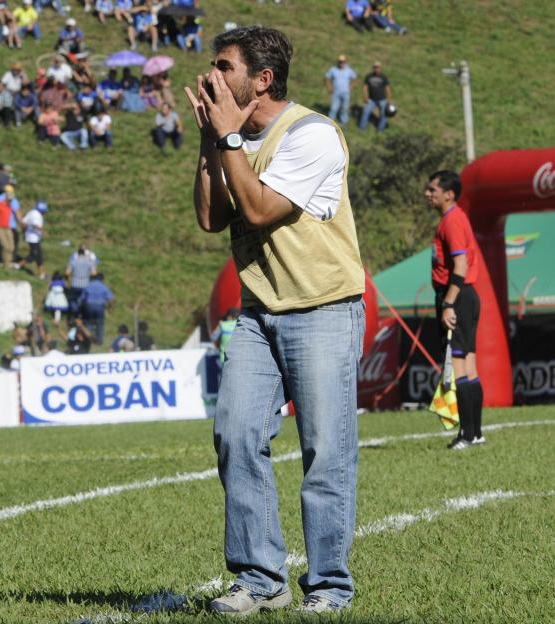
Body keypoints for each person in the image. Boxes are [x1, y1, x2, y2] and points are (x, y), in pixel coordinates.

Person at [184, 26, 365, 615]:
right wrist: (210, 142)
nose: (212, 75)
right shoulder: (232, 136)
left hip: (323, 311)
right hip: (260, 315)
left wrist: (228, 135)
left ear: (261, 80)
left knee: (325, 452)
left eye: (223, 66)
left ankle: (330, 586)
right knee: (235, 434)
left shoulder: (312, 135)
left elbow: (258, 209)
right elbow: (212, 219)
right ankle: (260, 578)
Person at [427, 170, 484, 450]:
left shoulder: (452, 221)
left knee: (459, 366)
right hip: (465, 296)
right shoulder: (452, 218)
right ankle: (476, 433)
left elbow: (459, 268)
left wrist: (448, 303)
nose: (428, 194)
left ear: (449, 194)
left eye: (432, 190)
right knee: (469, 365)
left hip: (458, 297)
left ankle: (468, 434)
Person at [79, 273, 114, 344]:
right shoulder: (104, 287)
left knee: (88, 323)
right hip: (100, 306)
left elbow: (82, 299)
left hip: (89, 306)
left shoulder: (89, 285)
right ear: (102, 279)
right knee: (100, 324)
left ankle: (86, 339)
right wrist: (110, 308)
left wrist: (81, 309)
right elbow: (111, 299)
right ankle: (99, 340)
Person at [359, 61, 392, 131]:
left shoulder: (383, 77)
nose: (377, 69)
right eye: (375, 68)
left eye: (378, 68)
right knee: (365, 112)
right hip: (371, 100)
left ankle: (380, 129)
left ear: (380, 68)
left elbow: (387, 88)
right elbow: (365, 87)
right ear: (373, 68)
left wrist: (388, 99)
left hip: (382, 100)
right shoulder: (369, 76)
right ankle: (362, 128)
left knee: (383, 115)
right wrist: (365, 97)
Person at [324, 54, 356, 126]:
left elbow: (354, 78)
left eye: (343, 61)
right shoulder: (333, 69)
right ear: (338, 61)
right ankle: (330, 123)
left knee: (344, 108)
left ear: (345, 62)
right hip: (336, 92)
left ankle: (343, 122)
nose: (341, 63)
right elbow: (326, 77)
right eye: (340, 61)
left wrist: (351, 87)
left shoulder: (349, 70)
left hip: (346, 92)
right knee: (333, 108)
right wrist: (329, 87)